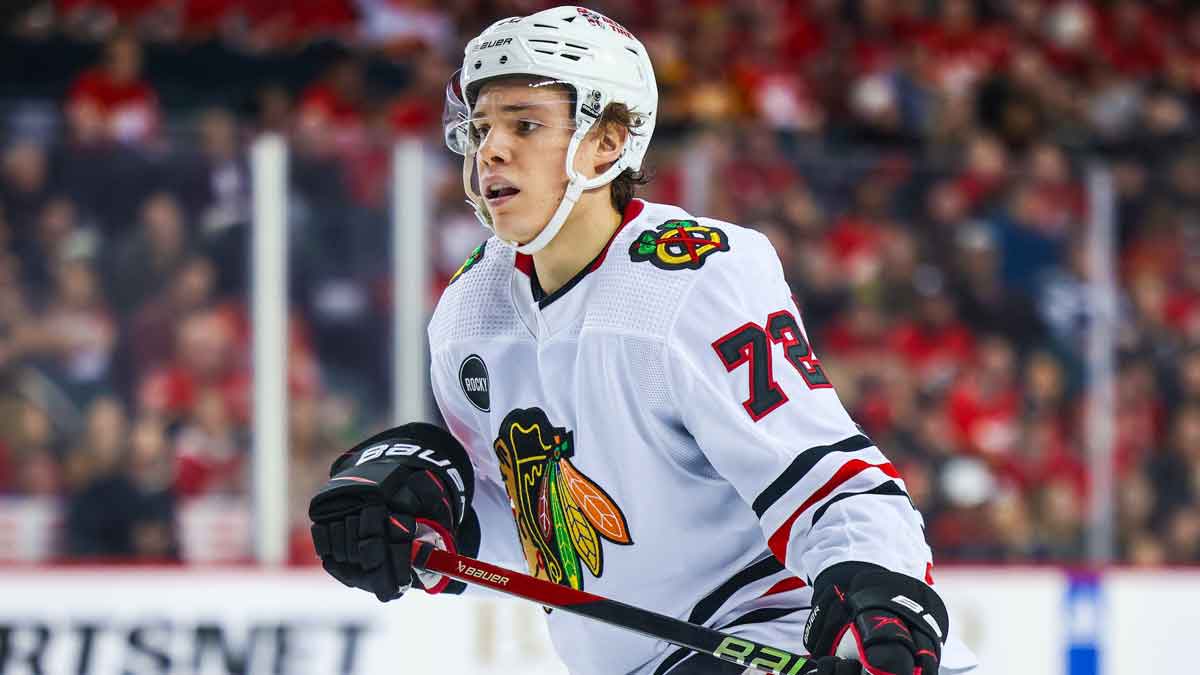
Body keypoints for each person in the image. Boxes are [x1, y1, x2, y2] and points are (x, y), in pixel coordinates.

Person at [308, 7, 979, 675]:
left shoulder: (693, 279)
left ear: (609, 140)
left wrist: (880, 594)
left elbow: (826, 478)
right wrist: (435, 524)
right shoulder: (468, 314)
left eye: (525, 124)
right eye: (481, 128)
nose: (491, 149)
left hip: (778, 639)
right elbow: (550, 537)